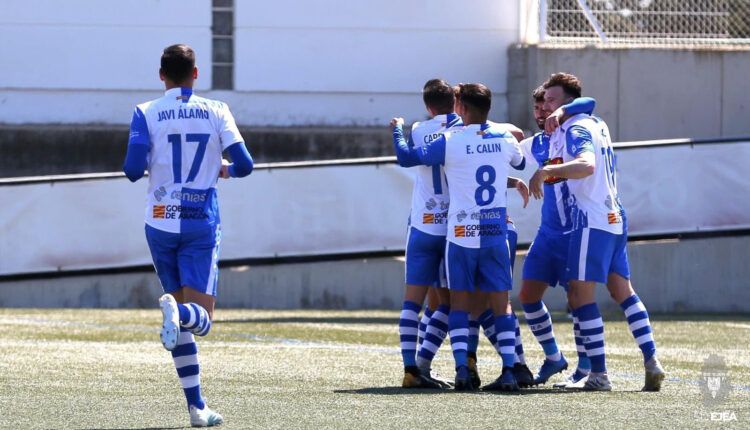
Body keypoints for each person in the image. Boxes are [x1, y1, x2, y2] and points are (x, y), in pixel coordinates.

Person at [122, 44, 253, 426]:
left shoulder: (145, 111)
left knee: (179, 326)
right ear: (196, 74)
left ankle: (197, 407)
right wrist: (223, 170)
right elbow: (245, 164)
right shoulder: (216, 110)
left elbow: (132, 169)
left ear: (160, 75)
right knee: (202, 319)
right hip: (200, 221)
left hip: (160, 221)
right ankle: (178, 314)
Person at [529, 73, 665, 391]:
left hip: (591, 219)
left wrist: (549, 169)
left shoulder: (575, 127)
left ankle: (598, 375)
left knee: (579, 295)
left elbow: (587, 164)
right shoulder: (596, 122)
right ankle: (652, 360)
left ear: (567, 102)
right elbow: (587, 104)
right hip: (615, 216)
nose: (545, 106)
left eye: (551, 100)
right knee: (623, 292)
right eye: (544, 101)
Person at [392, 83, 525, 391]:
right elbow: (517, 158)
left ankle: (452, 369)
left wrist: (397, 129)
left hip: (455, 232)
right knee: (499, 304)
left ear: (460, 107)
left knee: (452, 304)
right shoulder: (502, 135)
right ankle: (511, 367)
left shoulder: (446, 138)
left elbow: (407, 157)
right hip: (494, 230)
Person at [517, 85, 597, 387]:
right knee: (527, 295)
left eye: (547, 105)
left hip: (576, 229)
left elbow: (589, 102)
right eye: (537, 107)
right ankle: (554, 357)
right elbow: (508, 149)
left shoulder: (573, 131)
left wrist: (564, 111)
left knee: (578, 301)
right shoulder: (535, 143)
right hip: (548, 232)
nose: (542, 112)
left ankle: (585, 368)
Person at [391, 78, 461, 389]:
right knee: (447, 304)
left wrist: (397, 128)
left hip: (421, 225)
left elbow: (406, 156)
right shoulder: (464, 130)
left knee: (412, 302)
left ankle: (411, 370)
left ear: (428, 106)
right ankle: (425, 365)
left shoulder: (419, 129)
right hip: (453, 226)